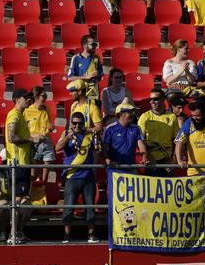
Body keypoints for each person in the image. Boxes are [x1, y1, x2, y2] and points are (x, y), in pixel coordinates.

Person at [57, 109, 101, 243]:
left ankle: (91, 234)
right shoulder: (65, 133)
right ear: (71, 123)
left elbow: (98, 150)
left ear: (83, 124)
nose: (77, 126)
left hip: (88, 175)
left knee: (90, 207)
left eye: (80, 124)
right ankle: (67, 235)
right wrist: (68, 137)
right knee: (69, 207)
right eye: (74, 123)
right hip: (72, 176)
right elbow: (57, 148)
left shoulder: (89, 135)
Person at [137, 89, 177, 174]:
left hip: (167, 160)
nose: (152, 102)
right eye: (150, 99)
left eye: (155, 99)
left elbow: (177, 140)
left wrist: (173, 159)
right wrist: (148, 157)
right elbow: (139, 140)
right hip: (151, 160)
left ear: (163, 100)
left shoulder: (172, 117)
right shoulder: (144, 117)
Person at [100, 102, 146, 169]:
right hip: (114, 169)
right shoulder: (110, 129)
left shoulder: (136, 128)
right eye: (130, 112)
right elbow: (104, 147)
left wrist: (144, 157)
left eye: (132, 112)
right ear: (120, 114)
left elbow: (141, 145)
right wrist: (107, 160)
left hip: (131, 168)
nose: (133, 115)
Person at [23, 87, 57, 176]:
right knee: (34, 169)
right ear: (36, 96)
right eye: (44, 95)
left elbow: (48, 124)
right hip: (34, 141)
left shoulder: (46, 109)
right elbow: (24, 129)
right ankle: (34, 185)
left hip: (46, 140)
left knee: (47, 167)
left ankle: (43, 185)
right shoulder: (27, 110)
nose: (46, 97)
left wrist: (50, 127)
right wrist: (34, 137)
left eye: (46, 95)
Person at [65, 35, 103, 100]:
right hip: (80, 93)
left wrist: (97, 75)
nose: (95, 47)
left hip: (93, 92)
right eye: (93, 44)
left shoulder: (96, 58)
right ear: (85, 45)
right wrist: (85, 77)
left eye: (95, 44)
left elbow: (100, 76)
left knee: (94, 109)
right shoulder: (76, 58)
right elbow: (70, 77)